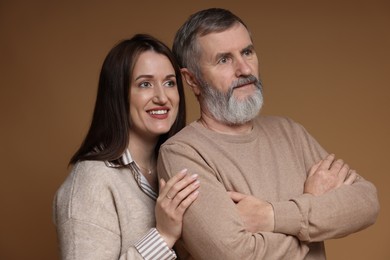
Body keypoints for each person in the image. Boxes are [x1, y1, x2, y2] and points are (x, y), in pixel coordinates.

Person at [157, 8, 379, 260]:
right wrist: (313, 204)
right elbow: (234, 255)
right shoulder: (182, 153)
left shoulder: (289, 131)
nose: (244, 69)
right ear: (192, 79)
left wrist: (273, 216)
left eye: (247, 52)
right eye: (224, 59)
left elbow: (366, 203)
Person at [53, 34, 200, 260]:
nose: (162, 97)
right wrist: (163, 236)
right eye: (145, 84)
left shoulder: (178, 166)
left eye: (169, 82)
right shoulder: (91, 181)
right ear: (118, 94)